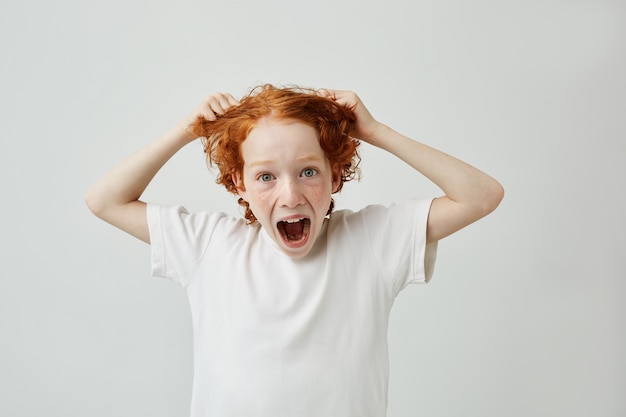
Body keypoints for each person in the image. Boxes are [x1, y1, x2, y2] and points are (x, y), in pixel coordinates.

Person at [85, 84, 504, 417]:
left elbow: (481, 196)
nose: (290, 195)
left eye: (308, 171)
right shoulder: (209, 244)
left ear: (336, 175)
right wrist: (183, 132)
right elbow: (105, 200)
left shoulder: (373, 240)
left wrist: (376, 132)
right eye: (265, 176)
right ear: (238, 184)